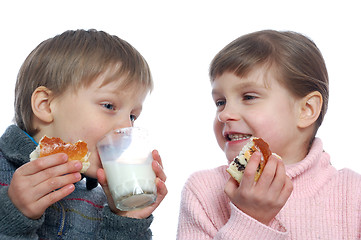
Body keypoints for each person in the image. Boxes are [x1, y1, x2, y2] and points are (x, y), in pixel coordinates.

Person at [177, 30, 361, 239]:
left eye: (248, 97)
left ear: (306, 110)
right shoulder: (202, 191)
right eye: (220, 102)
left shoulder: (354, 194)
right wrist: (250, 221)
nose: (225, 114)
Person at [0, 29, 167, 239]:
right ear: (46, 105)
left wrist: (126, 223)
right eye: (109, 106)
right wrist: (12, 215)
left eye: (133, 116)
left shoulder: (103, 201)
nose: (126, 126)